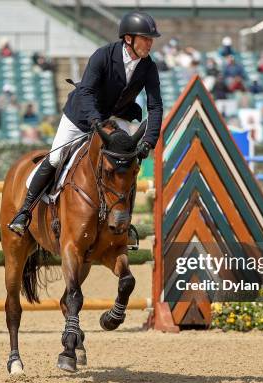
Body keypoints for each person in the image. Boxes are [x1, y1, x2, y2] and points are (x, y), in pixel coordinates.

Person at [8, 11, 163, 242]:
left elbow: (155, 107)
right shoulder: (102, 55)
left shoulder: (148, 67)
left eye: (151, 39)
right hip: (82, 115)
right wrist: (94, 121)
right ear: (129, 38)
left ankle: (124, 224)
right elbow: (86, 91)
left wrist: (149, 141)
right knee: (55, 157)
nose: (150, 43)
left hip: (116, 117)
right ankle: (24, 212)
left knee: (126, 163)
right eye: (146, 38)